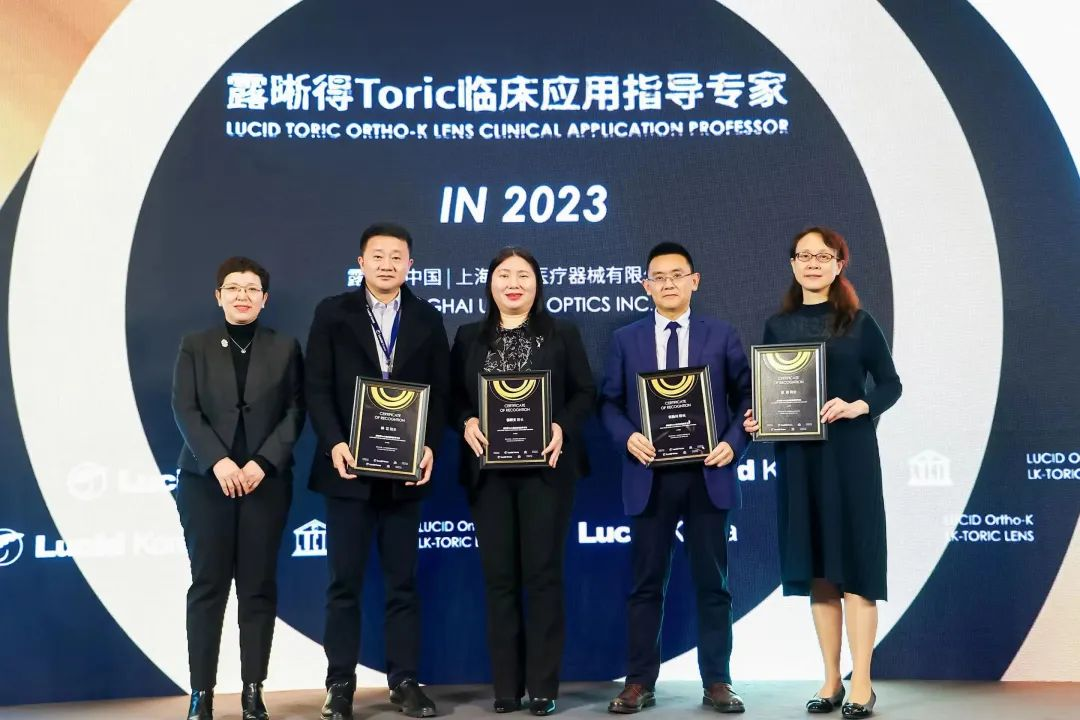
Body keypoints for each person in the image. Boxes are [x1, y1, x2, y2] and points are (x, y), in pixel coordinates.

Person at [743, 227, 901, 719]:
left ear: (839, 264)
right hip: (800, 460)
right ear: (792, 264)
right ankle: (831, 680)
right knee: (819, 572)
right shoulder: (777, 327)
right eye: (803, 256)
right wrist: (759, 418)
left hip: (850, 458)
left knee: (856, 568)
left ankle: (862, 684)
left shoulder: (859, 322)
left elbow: (891, 385)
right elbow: (773, 393)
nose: (812, 263)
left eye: (822, 255)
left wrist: (859, 405)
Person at [599, 242, 751, 715]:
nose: (668, 283)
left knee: (713, 584)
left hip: (708, 474)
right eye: (658, 277)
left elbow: (749, 398)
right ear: (646, 286)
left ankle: (718, 682)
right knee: (646, 584)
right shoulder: (625, 340)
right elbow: (608, 403)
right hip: (649, 476)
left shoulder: (721, 334)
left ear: (694, 281)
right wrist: (627, 437)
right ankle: (639, 683)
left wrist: (734, 443)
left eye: (677, 275)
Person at [306, 223, 449, 720]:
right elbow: (316, 386)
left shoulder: (428, 317)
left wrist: (429, 446)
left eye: (397, 256)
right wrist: (334, 443)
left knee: (402, 584)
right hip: (347, 470)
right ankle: (339, 683)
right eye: (378, 255)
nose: (387, 264)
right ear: (361, 262)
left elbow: (442, 393)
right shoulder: (333, 312)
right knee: (343, 583)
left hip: (404, 473)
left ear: (410, 264)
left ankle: (404, 681)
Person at [450, 247, 595, 716]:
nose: (513, 284)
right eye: (504, 275)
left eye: (523, 276)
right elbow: (453, 397)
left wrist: (561, 427)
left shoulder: (562, 333)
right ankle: (506, 688)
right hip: (488, 475)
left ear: (537, 284)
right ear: (490, 284)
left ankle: (543, 687)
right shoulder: (468, 336)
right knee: (499, 580)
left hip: (546, 472)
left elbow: (585, 392)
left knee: (543, 577)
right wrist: (467, 421)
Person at [172, 256, 305, 720]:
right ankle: (201, 693)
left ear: (264, 299)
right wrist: (219, 462)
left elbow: (295, 412)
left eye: (251, 289)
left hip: (264, 483)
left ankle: (253, 691)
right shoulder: (195, 345)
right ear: (219, 296)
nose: (242, 295)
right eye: (233, 287)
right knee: (207, 586)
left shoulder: (285, 347)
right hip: (205, 483)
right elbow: (185, 409)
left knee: (258, 586)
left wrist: (263, 462)